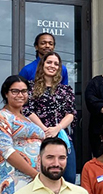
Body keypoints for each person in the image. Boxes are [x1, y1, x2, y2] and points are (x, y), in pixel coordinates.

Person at [24, 51, 77, 184]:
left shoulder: (65, 90)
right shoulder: (30, 87)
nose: (52, 66)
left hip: (61, 136)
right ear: (42, 65)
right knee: (42, 177)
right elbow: (27, 111)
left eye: (56, 64)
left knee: (69, 176)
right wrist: (45, 130)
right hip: (38, 136)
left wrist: (57, 129)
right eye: (49, 62)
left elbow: (70, 114)